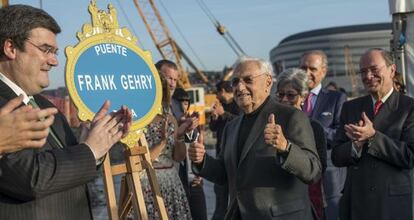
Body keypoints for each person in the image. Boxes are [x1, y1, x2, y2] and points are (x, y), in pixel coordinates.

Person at [0, 5, 131, 219]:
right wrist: (90, 150)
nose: (54, 61)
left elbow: (70, 170)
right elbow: (31, 178)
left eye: (55, 52)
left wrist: (92, 142)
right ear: (11, 48)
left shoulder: (44, 105)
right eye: (46, 49)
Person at [189, 56, 321, 219]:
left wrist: (285, 147)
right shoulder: (232, 127)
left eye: (248, 80)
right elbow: (224, 175)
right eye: (235, 82)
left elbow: (313, 171)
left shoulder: (291, 117)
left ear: (267, 83)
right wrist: (202, 160)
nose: (240, 87)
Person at [332, 48, 414, 220]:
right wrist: (355, 146)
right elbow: (336, 156)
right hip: (357, 203)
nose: (368, 76)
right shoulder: (351, 107)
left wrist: (373, 137)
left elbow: (410, 156)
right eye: (363, 71)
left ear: (392, 70)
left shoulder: (408, 108)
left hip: (392, 204)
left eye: (374, 70)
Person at [131, 77, 191, 220]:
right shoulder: (137, 121)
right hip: (146, 183)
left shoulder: (170, 119)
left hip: (171, 181)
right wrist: (162, 143)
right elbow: (139, 161)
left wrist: (181, 137)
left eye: (161, 91)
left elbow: (178, 157)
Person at [155, 60, 206, 220]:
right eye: (168, 78)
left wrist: (187, 131)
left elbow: (181, 144)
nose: (172, 84)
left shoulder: (176, 105)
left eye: (175, 80)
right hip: (154, 181)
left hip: (183, 176)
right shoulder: (145, 106)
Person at [300, 50, 347, 220]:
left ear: (323, 71)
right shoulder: (289, 99)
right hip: (298, 175)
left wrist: (310, 127)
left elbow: (340, 135)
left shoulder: (336, 98)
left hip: (329, 177)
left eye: (312, 68)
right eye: (303, 68)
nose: (307, 73)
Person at [276, 68, 327, 220]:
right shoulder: (271, 126)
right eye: (280, 94)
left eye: (290, 95)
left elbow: (319, 169)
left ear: (303, 96)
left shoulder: (314, 127)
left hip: (306, 199)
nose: (284, 99)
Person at [173, 87, 208, 220]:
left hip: (195, 183)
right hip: (176, 185)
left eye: (186, 103)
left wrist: (201, 173)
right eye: (179, 103)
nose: (183, 106)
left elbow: (199, 150)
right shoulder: (169, 124)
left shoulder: (194, 124)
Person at [209, 80, 240, 220]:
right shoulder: (221, 106)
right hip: (220, 155)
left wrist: (224, 113)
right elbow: (213, 128)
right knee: (220, 194)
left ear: (223, 91)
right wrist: (215, 117)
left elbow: (240, 122)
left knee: (235, 199)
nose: (216, 96)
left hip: (234, 158)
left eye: (217, 92)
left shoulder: (238, 103)